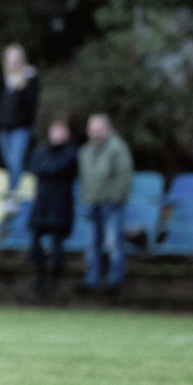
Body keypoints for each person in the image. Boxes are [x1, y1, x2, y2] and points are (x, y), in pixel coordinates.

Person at [77, 111, 133, 297]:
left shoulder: (118, 148)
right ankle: (91, 280)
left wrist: (114, 199)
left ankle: (115, 282)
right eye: (91, 129)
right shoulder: (85, 151)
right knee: (92, 245)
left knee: (113, 244)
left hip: (111, 205)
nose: (94, 132)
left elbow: (124, 176)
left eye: (98, 129)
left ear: (108, 128)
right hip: (92, 203)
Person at [25, 118, 78, 296]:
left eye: (60, 132)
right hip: (42, 204)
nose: (57, 135)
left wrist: (47, 169)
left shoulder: (71, 152)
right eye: (54, 131)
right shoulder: (41, 149)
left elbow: (58, 167)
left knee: (57, 243)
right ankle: (39, 275)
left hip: (60, 205)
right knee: (35, 240)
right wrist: (48, 169)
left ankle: (54, 280)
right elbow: (34, 166)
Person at [0, 43, 39, 192]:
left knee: (15, 161)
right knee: (9, 163)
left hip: (20, 128)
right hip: (3, 128)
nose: (13, 63)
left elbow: (30, 105)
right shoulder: (3, 80)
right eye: (9, 60)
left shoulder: (29, 78)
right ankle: (15, 191)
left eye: (16, 60)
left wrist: (21, 85)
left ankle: (15, 193)